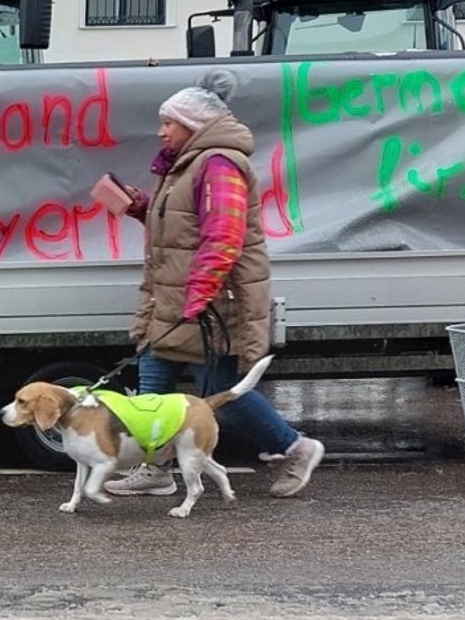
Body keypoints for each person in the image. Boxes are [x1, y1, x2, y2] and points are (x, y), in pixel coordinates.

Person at [95, 73, 325, 499]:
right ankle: (158, 468)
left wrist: (200, 293)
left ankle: (294, 447)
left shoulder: (218, 165)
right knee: (153, 382)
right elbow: (186, 226)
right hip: (174, 294)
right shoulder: (187, 164)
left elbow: (223, 235)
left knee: (221, 391)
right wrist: (142, 208)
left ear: (193, 125)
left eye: (169, 122)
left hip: (208, 299)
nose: (161, 130)